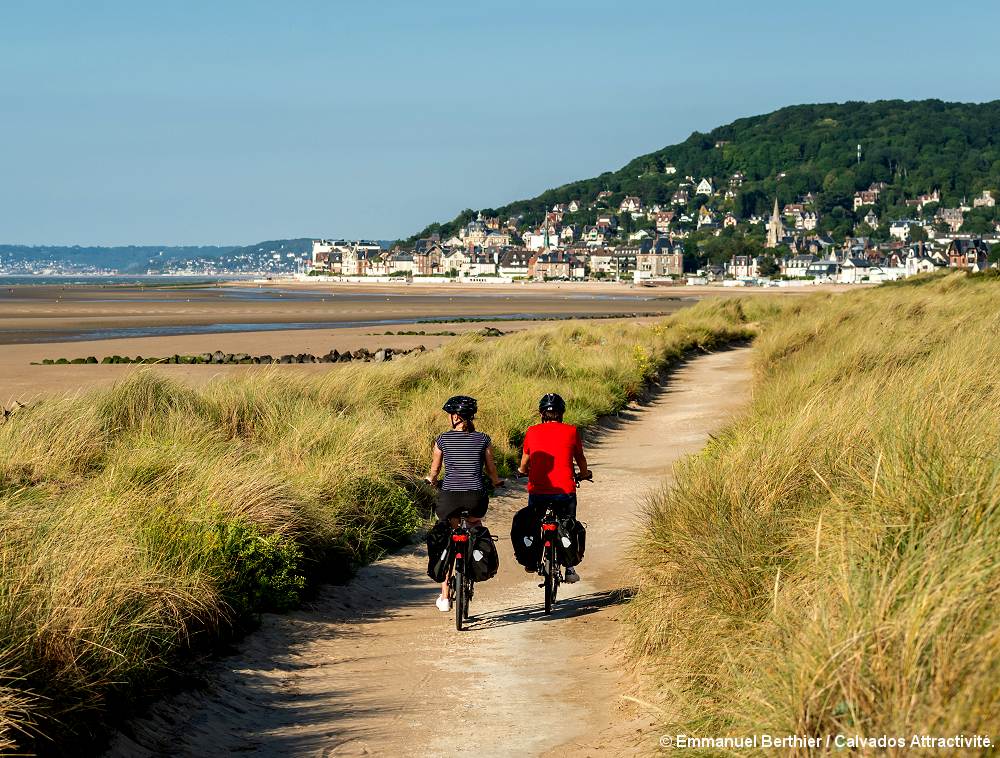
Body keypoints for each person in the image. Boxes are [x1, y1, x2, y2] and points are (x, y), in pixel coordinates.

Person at [425, 395, 504, 611]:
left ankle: (444, 597)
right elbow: (491, 469)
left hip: (449, 498)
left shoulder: (442, 439)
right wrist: (496, 482)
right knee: (475, 525)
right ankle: (473, 562)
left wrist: (432, 480)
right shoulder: (483, 439)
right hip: (475, 498)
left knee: (447, 539)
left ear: (456, 417)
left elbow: (435, 470)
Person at [515, 393, 590, 583]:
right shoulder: (571, 431)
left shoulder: (532, 431)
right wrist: (584, 473)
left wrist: (522, 471)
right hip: (565, 491)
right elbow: (580, 458)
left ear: (542, 414)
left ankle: (532, 560)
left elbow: (525, 459)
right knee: (567, 525)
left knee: (534, 524)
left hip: (538, 491)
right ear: (561, 413)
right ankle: (570, 568)